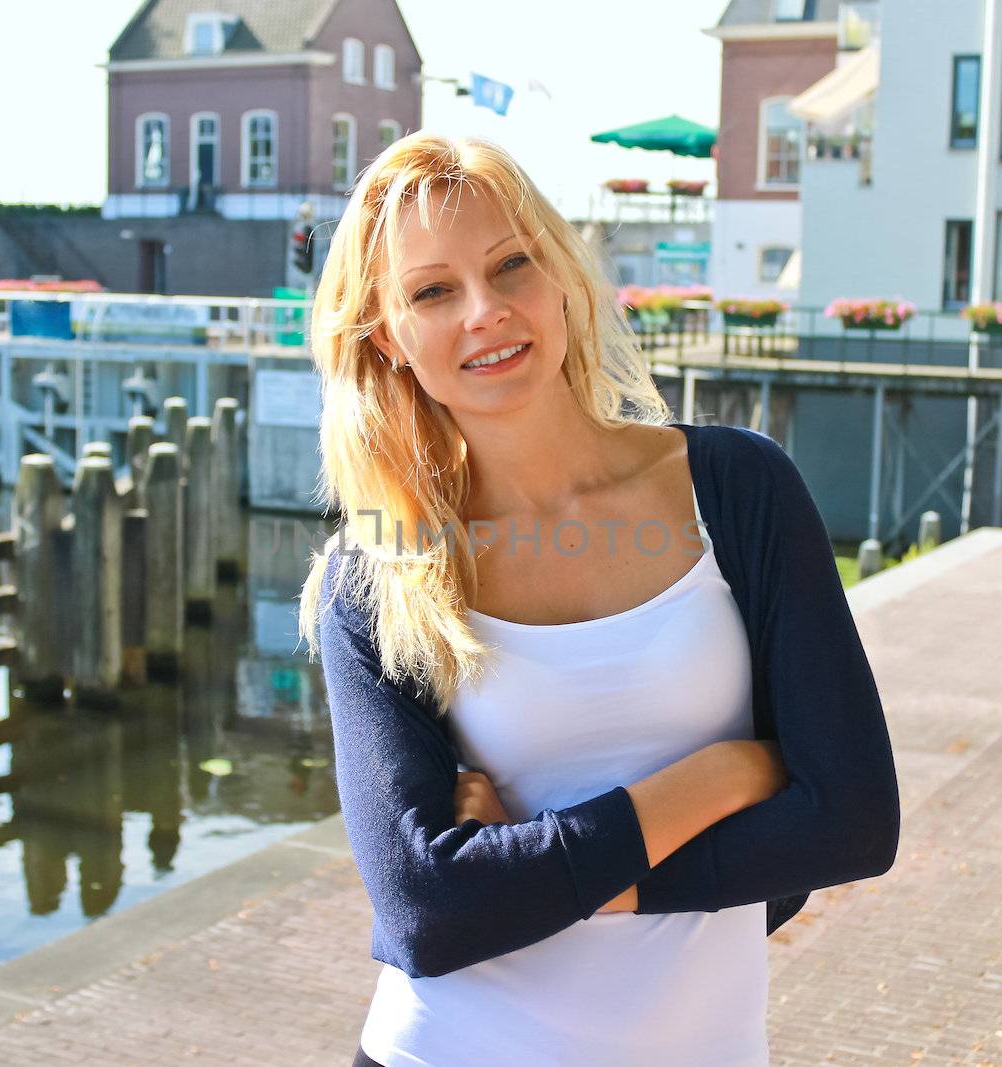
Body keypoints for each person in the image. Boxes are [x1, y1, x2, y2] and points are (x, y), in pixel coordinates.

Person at [295, 133, 901, 1067]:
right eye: (433, 291)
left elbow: (852, 820)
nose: (486, 312)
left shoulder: (736, 489)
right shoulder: (379, 569)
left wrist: (544, 869)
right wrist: (729, 775)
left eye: (511, 266)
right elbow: (429, 909)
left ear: (565, 278)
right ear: (389, 337)